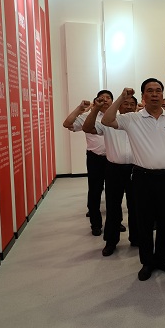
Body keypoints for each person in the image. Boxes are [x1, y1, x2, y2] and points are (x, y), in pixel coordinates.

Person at [101, 78, 165, 281]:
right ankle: (147, 262)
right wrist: (122, 96)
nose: (155, 94)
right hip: (142, 177)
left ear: (163, 94)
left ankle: (163, 259)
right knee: (144, 222)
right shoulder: (132, 119)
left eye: (158, 90)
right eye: (150, 91)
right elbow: (106, 120)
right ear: (143, 96)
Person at [82, 94, 139, 256]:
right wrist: (95, 108)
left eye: (132, 104)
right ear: (119, 106)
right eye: (125, 103)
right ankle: (111, 241)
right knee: (113, 206)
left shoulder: (141, 123)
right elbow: (87, 128)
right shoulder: (108, 122)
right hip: (114, 169)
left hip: (136, 169)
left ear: (136, 106)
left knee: (136, 206)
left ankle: (136, 237)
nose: (129, 106)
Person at [63, 90, 113, 236]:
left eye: (108, 98)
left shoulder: (116, 116)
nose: (105, 100)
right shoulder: (88, 117)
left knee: (113, 193)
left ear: (113, 101)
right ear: (95, 101)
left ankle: (115, 222)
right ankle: (95, 224)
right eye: (101, 98)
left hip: (113, 159)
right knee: (95, 191)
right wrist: (80, 108)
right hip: (95, 158)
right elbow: (67, 123)